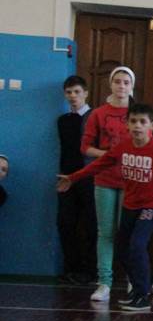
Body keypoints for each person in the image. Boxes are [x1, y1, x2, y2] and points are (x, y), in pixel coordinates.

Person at [57, 103, 153, 313]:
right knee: (122, 248)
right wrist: (73, 178)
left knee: (137, 245)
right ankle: (136, 290)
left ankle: (143, 295)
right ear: (127, 125)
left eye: (142, 122)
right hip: (130, 205)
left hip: (150, 207)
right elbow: (100, 164)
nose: (137, 126)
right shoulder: (123, 147)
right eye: (133, 121)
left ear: (152, 125)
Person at [80, 66, 134, 303]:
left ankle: (134, 278)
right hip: (104, 179)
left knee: (128, 232)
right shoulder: (98, 114)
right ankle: (104, 283)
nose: (121, 86)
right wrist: (107, 155)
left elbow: (148, 144)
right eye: (117, 81)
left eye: (126, 82)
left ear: (131, 86)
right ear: (111, 84)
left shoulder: (137, 113)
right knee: (106, 232)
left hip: (131, 181)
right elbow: (85, 147)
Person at [56, 76, 96, 284]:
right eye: (69, 92)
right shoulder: (63, 120)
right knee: (65, 223)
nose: (73, 96)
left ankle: (90, 272)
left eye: (77, 92)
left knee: (91, 225)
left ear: (85, 93)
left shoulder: (95, 117)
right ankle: (71, 268)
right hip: (67, 178)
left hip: (90, 177)